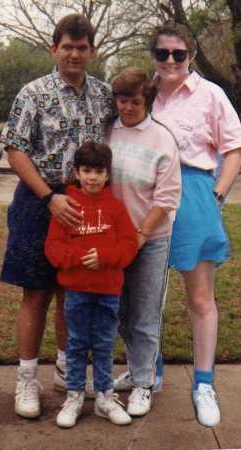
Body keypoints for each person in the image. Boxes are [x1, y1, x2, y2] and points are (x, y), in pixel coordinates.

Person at [0, 13, 115, 419]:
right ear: (54, 49)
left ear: (92, 52)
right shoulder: (32, 93)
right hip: (39, 201)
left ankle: (68, 374)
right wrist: (49, 197)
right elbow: (15, 149)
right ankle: (27, 380)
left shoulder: (103, 96)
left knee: (74, 290)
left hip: (85, 204)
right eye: (67, 46)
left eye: (82, 47)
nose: (74, 54)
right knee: (37, 292)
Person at [148, 23, 241, 427]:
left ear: (191, 54)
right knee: (146, 295)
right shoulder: (144, 91)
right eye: (163, 53)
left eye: (179, 54)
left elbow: (234, 148)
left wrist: (216, 194)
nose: (170, 61)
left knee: (200, 297)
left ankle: (203, 383)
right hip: (147, 196)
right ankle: (146, 372)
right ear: (153, 54)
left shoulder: (211, 95)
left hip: (195, 190)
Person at [45, 142, 138, 427]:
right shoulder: (67, 207)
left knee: (103, 344)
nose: (92, 177)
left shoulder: (116, 209)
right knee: (75, 344)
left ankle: (104, 397)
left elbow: (129, 245)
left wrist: (106, 257)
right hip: (76, 291)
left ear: (108, 174)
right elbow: (53, 248)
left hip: (108, 290)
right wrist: (79, 258)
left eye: (99, 171)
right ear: (77, 172)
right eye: (86, 170)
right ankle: (74, 395)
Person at [108, 68, 181, 417]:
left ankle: (144, 384)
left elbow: (166, 198)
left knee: (145, 313)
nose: (127, 107)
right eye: (122, 101)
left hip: (150, 239)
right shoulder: (109, 132)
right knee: (120, 311)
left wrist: (139, 237)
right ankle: (139, 370)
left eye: (134, 101)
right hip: (113, 239)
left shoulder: (162, 138)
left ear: (147, 100)